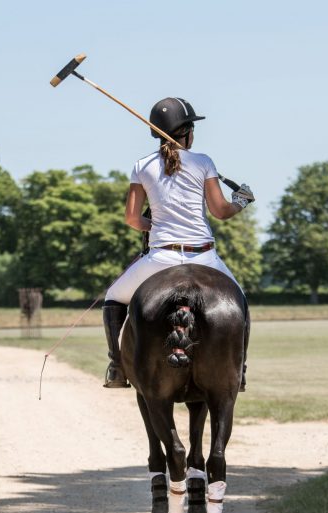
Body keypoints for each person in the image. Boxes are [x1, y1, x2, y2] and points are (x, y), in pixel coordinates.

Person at [102, 96, 253, 389]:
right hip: (204, 258)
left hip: (161, 260)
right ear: (186, 132)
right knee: (241, 304)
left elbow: (132, 219)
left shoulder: (142, 166)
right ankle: (240, 370)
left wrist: (154, 225)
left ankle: (117, 367)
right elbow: (221, 212)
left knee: (113, 297)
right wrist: (241, 201)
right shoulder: (203, 162)